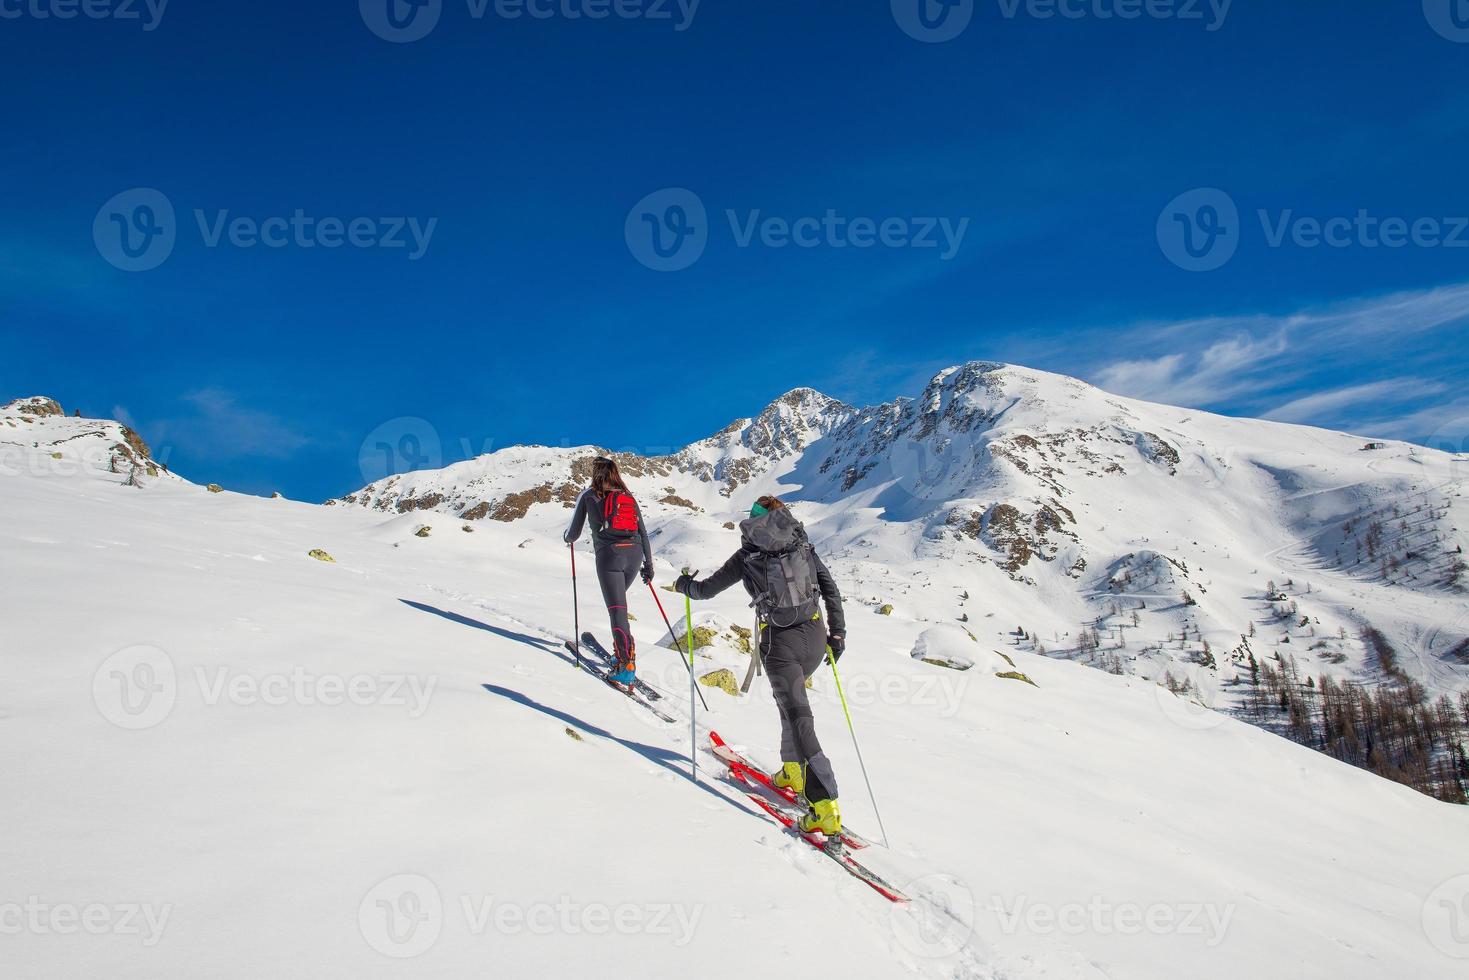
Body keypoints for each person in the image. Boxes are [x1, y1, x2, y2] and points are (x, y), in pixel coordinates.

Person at [674, 495, 847, 835]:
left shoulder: (748, 554)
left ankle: (824, 803)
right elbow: (830, 589)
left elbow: (706, 590)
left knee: (799, 715)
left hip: (779, 644)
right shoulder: (803, 545)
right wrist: (837, 635)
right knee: (791, 706)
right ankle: (792, 770)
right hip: (814, 637)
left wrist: (684, 585)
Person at [564, 457, 655, 686]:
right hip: (634, 555)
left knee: (617, 610)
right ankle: (622, 653)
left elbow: (573, 534)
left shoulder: (588, 495)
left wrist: (567, 538)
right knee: (619, 607)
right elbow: (643, 533)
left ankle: (626, 665)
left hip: (609, 556)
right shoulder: (627, 496)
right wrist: (649, 566)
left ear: (596, 474)